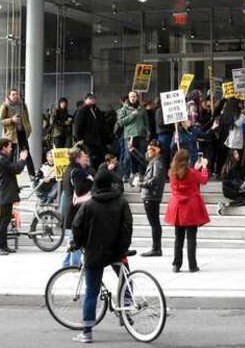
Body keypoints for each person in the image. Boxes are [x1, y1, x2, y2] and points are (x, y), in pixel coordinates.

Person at [71, 168, 133, 344]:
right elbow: (127, 227)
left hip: (95, 253)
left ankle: (87, 331)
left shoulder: (89, 205)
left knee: (92, 292)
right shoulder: (121, 202)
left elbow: (76, 226)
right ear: (112, 184)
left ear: (96, 185)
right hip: (116, 251)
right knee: (126, 279)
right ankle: (127, 310)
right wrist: (122, 247)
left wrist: (79, 243)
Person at [165, 150, 210, 273]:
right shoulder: (192, 173)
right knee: (191, 238)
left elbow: (186, 174)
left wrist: (195, 169)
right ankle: (192, 265)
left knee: (178, 238)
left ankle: (176, 264)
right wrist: (204, 167)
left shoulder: (171, 173)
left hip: (177, 207)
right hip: (191, 207)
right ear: (187, 161)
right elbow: (204, 179)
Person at [0, 139, 28, 255]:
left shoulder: (0, 158)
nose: (11, 149)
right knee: (4, 221)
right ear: (4, 147)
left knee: (6, 220)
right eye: (9, 147)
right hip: (4, 193)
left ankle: (3, 245)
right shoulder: (1, 159)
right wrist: (22, 159)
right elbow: (17, 169)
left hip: (5, 193)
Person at [62, 147, 95, 267]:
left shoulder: (68, 169)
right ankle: (75, 266)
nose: (85, 158)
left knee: (72, 238)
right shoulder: (77, 171)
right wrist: (90, 180)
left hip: (70, 207)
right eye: (83, 156)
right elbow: (80, 190)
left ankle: (66, 264)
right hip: (76, 210)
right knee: (76, 238)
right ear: (78, 158)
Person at [0, 89, 35, 178]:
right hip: (11, 134)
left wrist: (28, 127)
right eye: (13, 94)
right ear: (9, 96)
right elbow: (0, 120)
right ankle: (8, 174)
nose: (15, 96)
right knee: (10, 154)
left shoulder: (22, 105)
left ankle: (32, 175)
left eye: (17, 94)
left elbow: (26, 117)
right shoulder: (5, 106)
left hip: (21, 131)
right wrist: (11, 120)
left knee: (26, 153)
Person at [139, 140, 166, 257]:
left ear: (157, 150)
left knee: (154, 223)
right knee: (154, 223)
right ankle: (156, 247)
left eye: (150, 150)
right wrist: (133, 150)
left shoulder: (158, 162)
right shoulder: (154, 161)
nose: (148, 152)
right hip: (150, 195)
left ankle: (156, 248)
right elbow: (142, 159)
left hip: (152, 195)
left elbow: (156, 179)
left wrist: (142, 184)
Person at [118, 91, 149, 186]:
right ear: (128, 98)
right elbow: (121, 122)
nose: (133, 98)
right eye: (131, 96)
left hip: (141, 135)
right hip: (129, 136)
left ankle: (140, 174)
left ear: (137, 97)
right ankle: (128, 175)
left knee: (141, 155)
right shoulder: (124, 109)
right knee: (129, 156)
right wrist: (132, 115)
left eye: (134, 96)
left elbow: (146, 122)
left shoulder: (142, 109)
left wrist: (147, 131)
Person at [73, 93, 107, 169]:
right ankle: (91, 175)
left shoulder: (96, 109)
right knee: (90, 158)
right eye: (90, 98)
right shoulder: (82, 110)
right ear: (85, 100)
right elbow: (77, 125)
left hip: (96, 140)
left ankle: (97, 175)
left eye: (94, 98)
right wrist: (79, 139)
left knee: (98, 158)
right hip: (86, 140)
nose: (92, 100)